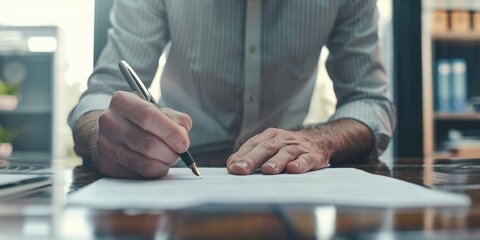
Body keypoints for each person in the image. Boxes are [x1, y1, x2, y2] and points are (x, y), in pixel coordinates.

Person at [68, 0, 396, 179]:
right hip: (176, 173)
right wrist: (104, 139)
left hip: (286, 176)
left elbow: (369, 101)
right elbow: (101, 95)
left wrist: (319, 139)